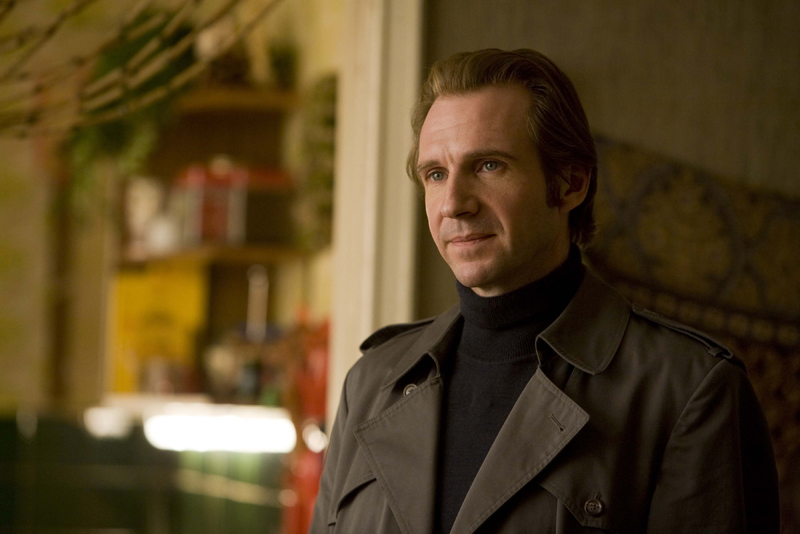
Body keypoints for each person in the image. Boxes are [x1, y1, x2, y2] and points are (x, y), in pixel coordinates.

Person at [309, 49, 779, 533]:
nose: (453, 204)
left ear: (571, 183)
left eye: (488, 165)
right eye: (436, 174)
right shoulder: (371, 383)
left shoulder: (689, 391)